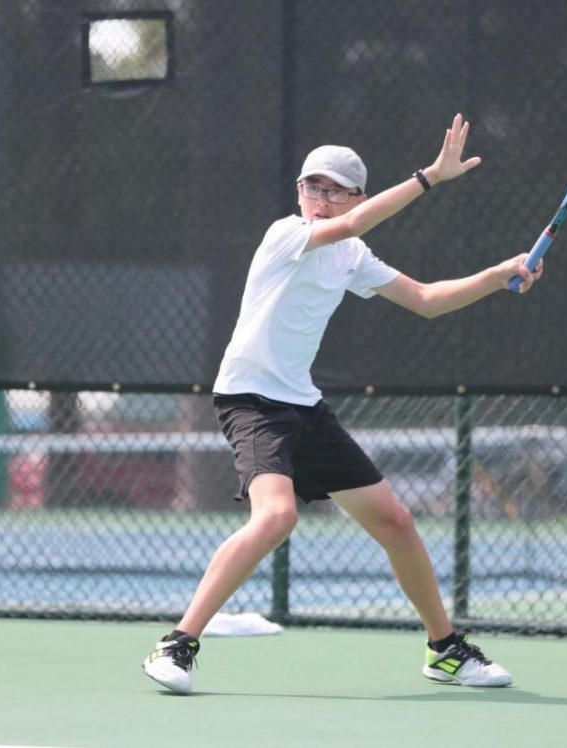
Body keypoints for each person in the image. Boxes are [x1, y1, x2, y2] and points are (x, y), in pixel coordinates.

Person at [142, 114, 543, 695]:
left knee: (397, 523)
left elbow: (426, 300)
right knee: (277, 517)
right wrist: (431, 176)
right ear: (299, 193)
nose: (321, 200)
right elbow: (355, 221)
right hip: (251, 400)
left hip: (302, 405)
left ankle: (445, 650)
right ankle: (176, 644)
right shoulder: (286, 234)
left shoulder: (352, 255)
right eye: (313, 187)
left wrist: (497, 274)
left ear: (355, 193)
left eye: (335, 191)